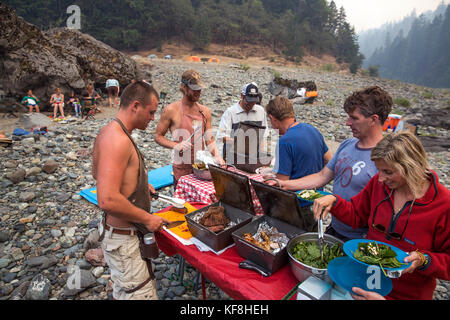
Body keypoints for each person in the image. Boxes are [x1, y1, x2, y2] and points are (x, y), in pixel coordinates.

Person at [312, 131, 450, 300]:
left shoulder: (443, 204)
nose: (381, 178)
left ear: (411, 167)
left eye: (388, 172)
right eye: (379, 170)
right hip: (367, 282)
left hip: (407, 295)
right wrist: (334, 202)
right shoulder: (380, 186)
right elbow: (356, 215)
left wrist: (425, 260)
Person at [269, 86, 393, 241]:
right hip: (334, 227)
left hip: (359, 238)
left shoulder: (387, 160)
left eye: (354, 118)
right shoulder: (347, 144)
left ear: (373, 119)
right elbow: (322, 176)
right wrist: (284, 184)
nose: (348, 123)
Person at [92, 81, 169, 300]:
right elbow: (106, 199)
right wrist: (147, 218)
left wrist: (138, 185)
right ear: (135, 105)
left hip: (118, 236)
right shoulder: (118, 140)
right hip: (124, 239)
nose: (153, 118)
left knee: (124, 291)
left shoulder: (108, 131)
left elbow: (99, 174)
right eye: (151, 112)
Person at [155, 69, 224, 189]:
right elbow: (158, 136)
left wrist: (217, 156)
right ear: (184, 87)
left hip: (201, 169)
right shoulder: (171, 110)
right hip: (181, 170)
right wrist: (175, 145)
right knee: (183, 206)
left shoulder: (205, 112)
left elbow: (209, 139)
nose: (198, 92)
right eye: (194, 88)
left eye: (199, 88)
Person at [265, 96, 331, 181]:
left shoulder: (284, 142)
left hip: (295, 193)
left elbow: (282, 182)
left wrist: (271, 178)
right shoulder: (313, 130)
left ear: (272, 118)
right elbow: (329, 161)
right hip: (316, 192)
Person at [216, 83, 269, 158]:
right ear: (242, 96)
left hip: (252, 157)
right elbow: (221, 137)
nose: (251, 104)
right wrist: (242, 143)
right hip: (232, 157)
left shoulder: (260, 111)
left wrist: (259, 155)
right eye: (248, 101)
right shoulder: (230, 112)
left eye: (253, 102)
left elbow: (262, 136)